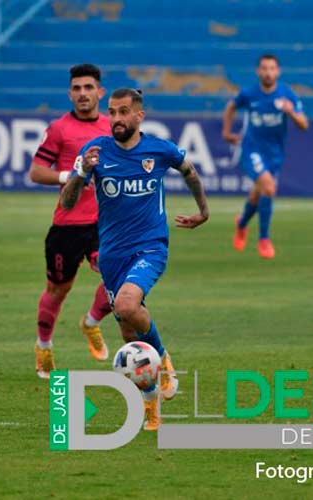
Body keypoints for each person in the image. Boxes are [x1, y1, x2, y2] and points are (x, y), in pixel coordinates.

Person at [60, 88, 210, 431]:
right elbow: (67, 203)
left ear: (138, 116)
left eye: (123, 112)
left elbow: (188, 171)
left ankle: (164, 359)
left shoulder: (159, 149)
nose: (116, 119)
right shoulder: (95, 152)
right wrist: (82, 172)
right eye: (111, 112)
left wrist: (203, 211)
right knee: (130, 334)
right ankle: (150, 400)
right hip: (112, 254)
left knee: (128, 306)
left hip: (150, 246)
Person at [29, 63, 114, 379]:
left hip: (104, 223)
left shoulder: (111, 127)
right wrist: (70, 175)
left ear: (100, 92)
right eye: (77, 89)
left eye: (88, 88)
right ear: (70, 93)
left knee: (119, 281)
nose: (82, 94)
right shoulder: (60, 129)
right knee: (57, 290)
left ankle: (91, 322)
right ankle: (44, 347)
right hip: (67, 226)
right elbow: (36, 171)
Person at [222, 54, 309, 259]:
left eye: (272, 68)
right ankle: (264, 239)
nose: (268, 72)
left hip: (274, 154)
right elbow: (231, 106)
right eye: (264, 68)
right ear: (258, 72)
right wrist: (226, 132)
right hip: (252, 149)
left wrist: (291, 112)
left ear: (278, 72)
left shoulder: (287, 94)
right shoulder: (249, 94)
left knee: (258, 194)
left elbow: (304, 124)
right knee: (269, 187)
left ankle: (242, 223)